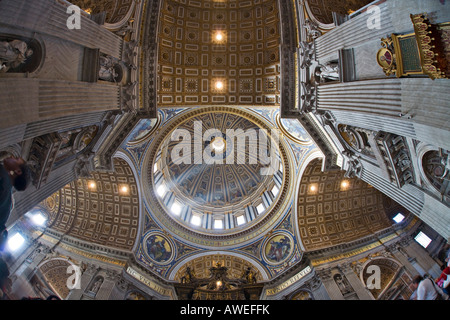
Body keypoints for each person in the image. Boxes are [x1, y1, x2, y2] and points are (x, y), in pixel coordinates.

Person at [0, 156, 31, 251]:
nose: (12, 157)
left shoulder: (2, 176)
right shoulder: (8, 204)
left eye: (16, 159)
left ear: (18, 171)